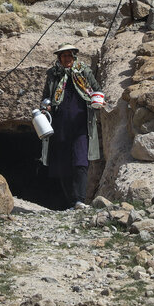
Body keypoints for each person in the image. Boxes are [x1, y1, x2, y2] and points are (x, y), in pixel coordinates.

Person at [40, 44, 101, 207]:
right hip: (60, 125)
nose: (66, 59)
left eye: (69, 55)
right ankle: (70, 201)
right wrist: (45, 106)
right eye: (63, 56)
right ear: (59, 58)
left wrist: (97, 101)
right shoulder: (53, 74)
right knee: (63, 164)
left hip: (81, 125)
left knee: (81, 161)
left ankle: (80, 199)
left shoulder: (84, 71)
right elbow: (46, 96)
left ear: (74, 56)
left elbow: (97, 90)